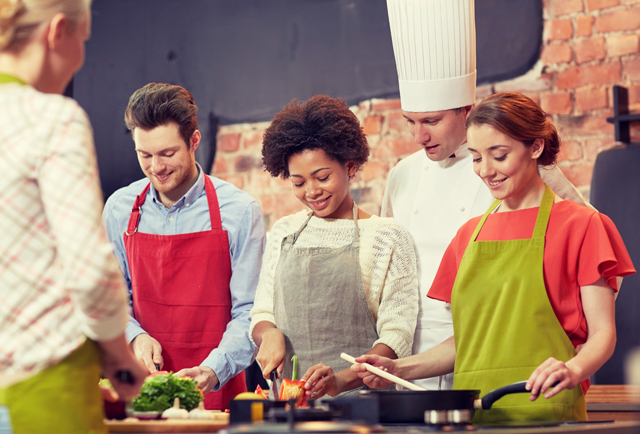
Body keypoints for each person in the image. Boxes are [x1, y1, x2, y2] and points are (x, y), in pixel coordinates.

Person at [353, 92, 636, 422]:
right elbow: (467, 342)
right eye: (475, 158)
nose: (486, 171)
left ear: (535, 147)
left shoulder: (583, 225)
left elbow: (604, 334)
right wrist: (397, 368)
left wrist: (573, 369)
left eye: (498, 155)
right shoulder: (468, 235)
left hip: (548, 410)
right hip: (476, 414)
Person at [382, 0, 592, 390]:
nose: (419, 135)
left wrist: (569, 347)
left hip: (507, 352)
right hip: (416, 357)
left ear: (467, 110)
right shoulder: (402, 175)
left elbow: (587, 255)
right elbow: (393, 272)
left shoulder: (521, 169)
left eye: (431, 121)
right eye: (410, 121)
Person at [0, 0, 147, 432]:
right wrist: (120, 360)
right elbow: (88, 269)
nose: (80, 58)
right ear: (57, 31)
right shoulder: (51, 119)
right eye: (83, 41)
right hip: (44, 379)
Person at [102, 83, 266, 410]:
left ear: (193, 142)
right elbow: (112, 300)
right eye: (144, 155)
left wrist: (213, 369)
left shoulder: (240, 211)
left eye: (167, 153)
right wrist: (135, 336)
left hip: (217, 389)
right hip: (141, 393)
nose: (156, 168)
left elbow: (250, 311)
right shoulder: (119, 209)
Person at [250, 95, 419, 400]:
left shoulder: (386, 236)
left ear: (350, 166)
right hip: (290, 406)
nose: (312, 191)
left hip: (363, 406)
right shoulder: (284, 232)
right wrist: (268, 333)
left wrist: (340, 381)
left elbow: (397, 336)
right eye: (299, 182)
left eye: (322, 177)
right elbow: (262, 312)